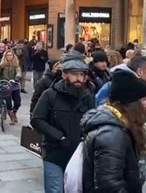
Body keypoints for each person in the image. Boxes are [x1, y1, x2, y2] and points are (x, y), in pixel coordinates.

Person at [31, 52, 94, 193]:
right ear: (65, 75)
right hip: (55, 153)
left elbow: (93, 119)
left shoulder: (88, 96)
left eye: (81, 75)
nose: (78, 79)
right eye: (74, 74)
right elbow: (37, 119)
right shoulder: (50, 94)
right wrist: (59, 136)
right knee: (55, 190)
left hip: (80, 155)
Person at [82, 71, 146, 192]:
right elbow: (109, 186)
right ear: (130, 104)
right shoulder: (112, 135)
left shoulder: (120, 126)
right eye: (143, 100)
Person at [0, 50, 22, 125]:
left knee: (17, 102)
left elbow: (19, 72)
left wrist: (16, 78)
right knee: (8, 103)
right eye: (8, 55)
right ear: (5, 56)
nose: (9, 57)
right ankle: (12, 118)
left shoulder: (16, 65)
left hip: (14, 85)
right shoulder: (1, 65)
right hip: (5, 85)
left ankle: (14, 113)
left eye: (11, 55)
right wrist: (0, 80)